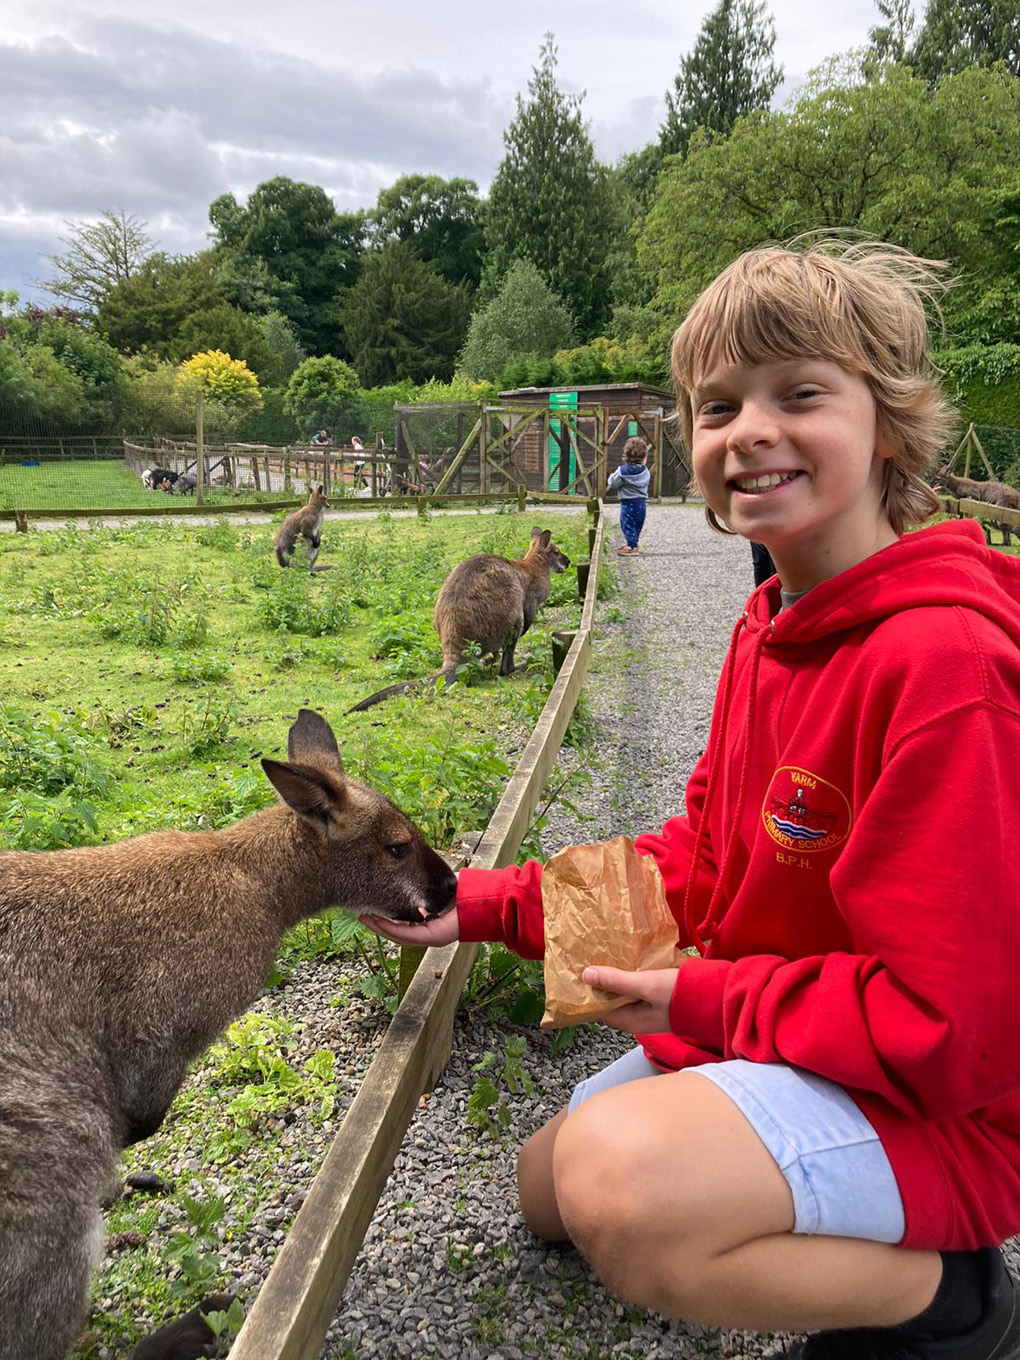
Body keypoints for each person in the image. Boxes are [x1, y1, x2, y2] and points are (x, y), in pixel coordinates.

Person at [360, 238, 1020, 1360]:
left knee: (622, 1192)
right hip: (801, 1043)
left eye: (798, 394)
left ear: (892, 425)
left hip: (941, 1111)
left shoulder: (944, 668)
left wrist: (705, 1001)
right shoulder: (767, 632)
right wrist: (480, 902)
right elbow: (697, 865)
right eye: (718, 407)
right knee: (546, 1189)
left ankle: (953, 1304)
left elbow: (956, 1036)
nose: (750, 429)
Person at [608, 436, 653, 555]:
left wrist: (612, 476)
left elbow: (613, 483)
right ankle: (633, 543)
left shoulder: (622, 471)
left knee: (627, 524)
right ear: (644, 458)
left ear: (626, 456)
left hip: (627, 503)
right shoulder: (645, 472)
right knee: (637, 524)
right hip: (641, 503)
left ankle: (632, 547)